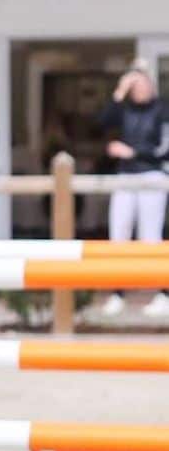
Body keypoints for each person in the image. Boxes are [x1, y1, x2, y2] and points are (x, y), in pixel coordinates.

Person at [97, 62, 169, 319]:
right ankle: (118, 293)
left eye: (143, 82)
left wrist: (133, 152)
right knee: (119, 235)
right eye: (135, 83)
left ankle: (163, 293)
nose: (140, 88)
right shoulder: (125, 109)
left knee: (151, 237)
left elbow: (164, 148)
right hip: (126, 176)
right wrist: (120, 90)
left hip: (152, 176)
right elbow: (101, 123)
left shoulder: (163, 110)